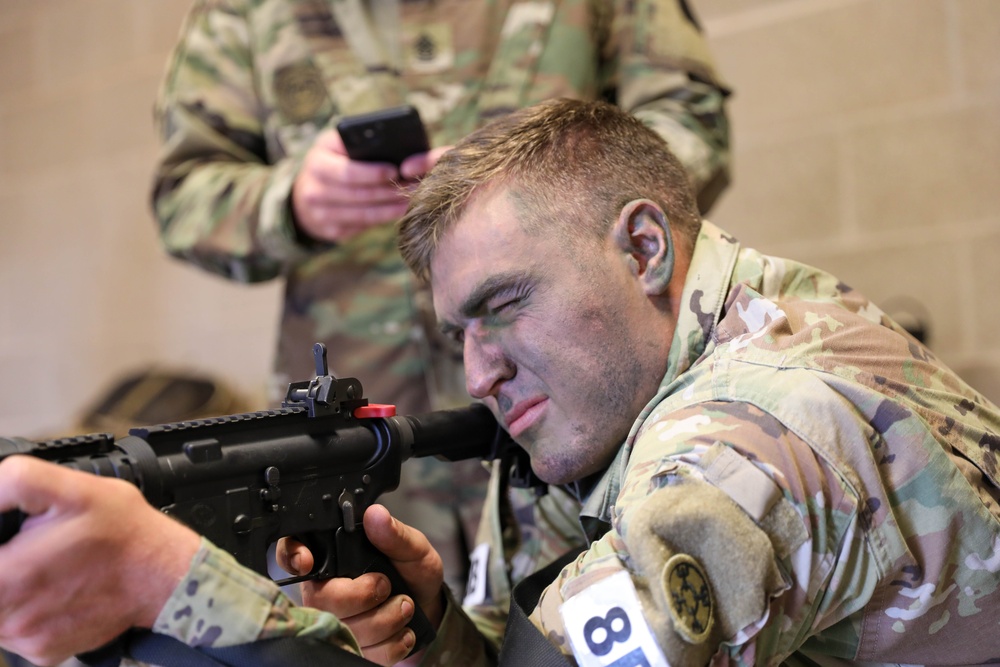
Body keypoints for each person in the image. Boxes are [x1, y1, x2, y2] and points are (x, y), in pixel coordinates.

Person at [8, 98, 996, 666]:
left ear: (644, 247)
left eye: (504, 303)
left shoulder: (759, 434)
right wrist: (438, 633)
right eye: (457, 331)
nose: (477, 367)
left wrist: (169, 586)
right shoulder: (617, 403)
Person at [149, 0, 731, 597]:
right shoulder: (243, 11)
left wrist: (545, 188)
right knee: (382, 620)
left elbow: (690, 122)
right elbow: (181, 196)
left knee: (593, 616)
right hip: (364, 424)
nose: (475, 374)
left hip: (577, 409)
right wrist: (291, 202)